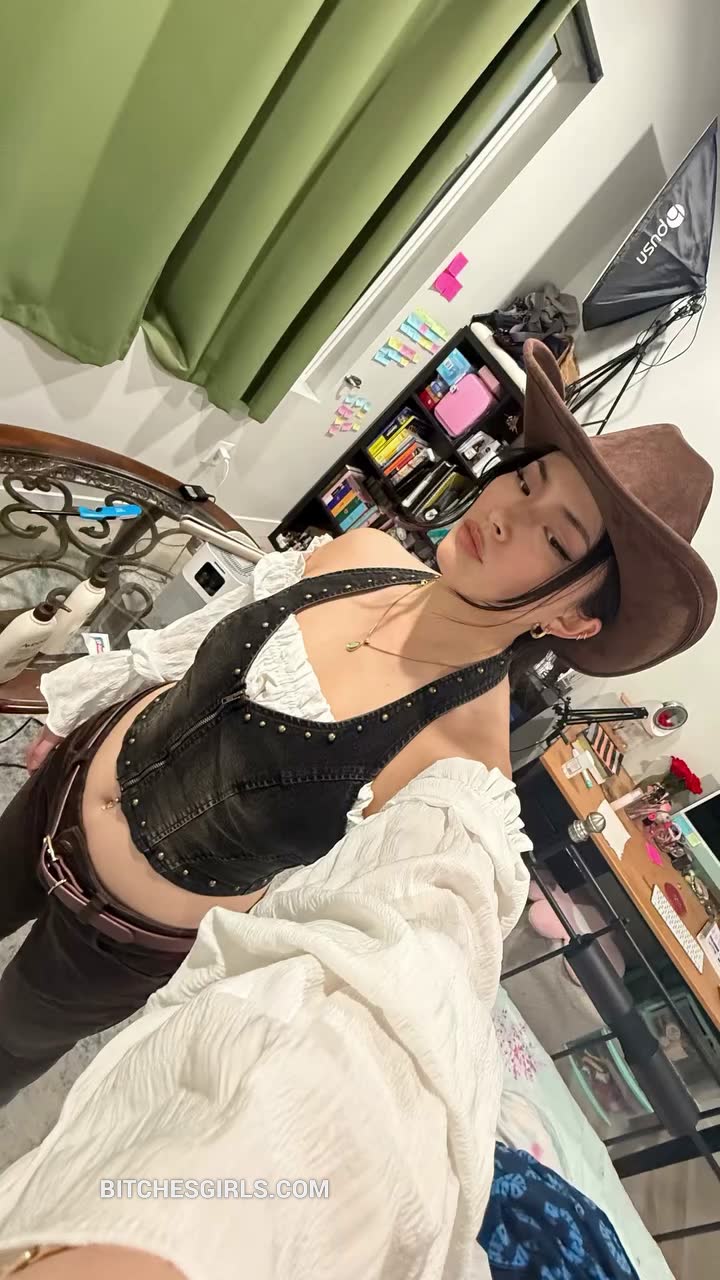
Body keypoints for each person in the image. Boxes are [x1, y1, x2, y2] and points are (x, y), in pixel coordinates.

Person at [0, 339, 715, 1104]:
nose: (509, 514)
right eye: (527, 481)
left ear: (572, 620)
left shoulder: (459, 775)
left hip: (115, 940)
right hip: (58, 787)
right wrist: (84, 706)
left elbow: (410, 981)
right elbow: (190, 646)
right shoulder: (360, 552)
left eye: (556, 537)